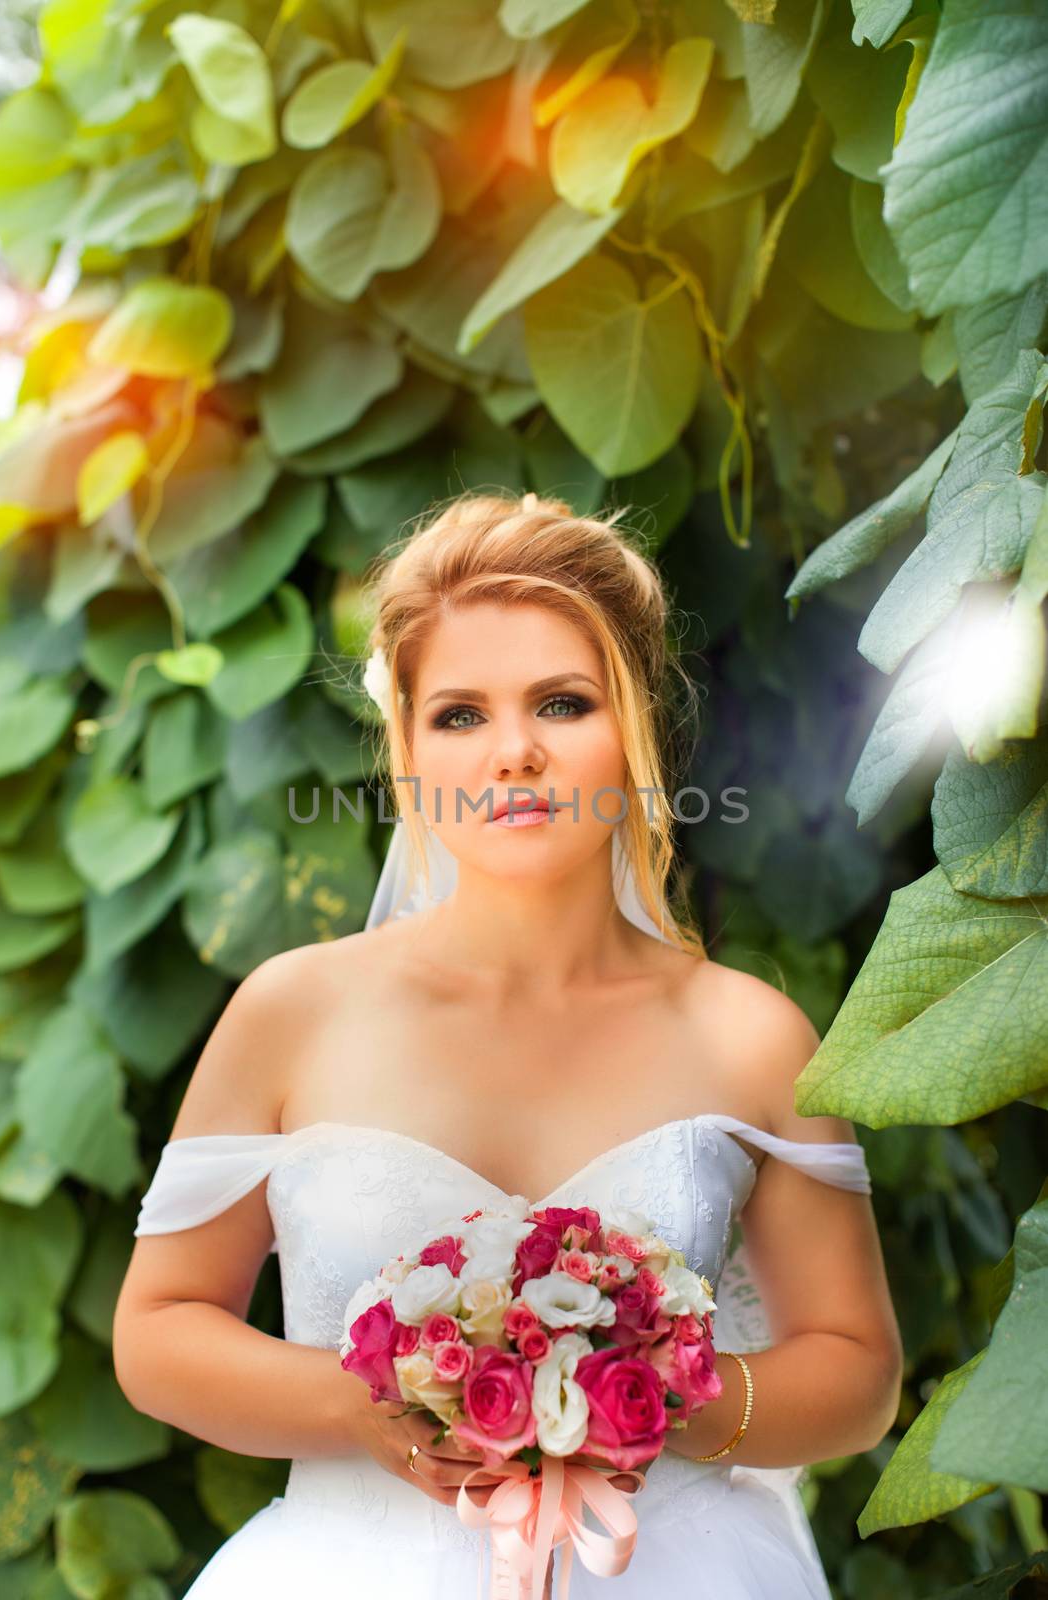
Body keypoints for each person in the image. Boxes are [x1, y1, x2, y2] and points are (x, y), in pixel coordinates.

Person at [114, 490, 903, 1598]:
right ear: (407, 746)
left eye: (562, 702)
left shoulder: (748, 1033)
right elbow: (157, 1328)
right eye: (459, 714)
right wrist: (366, 1404)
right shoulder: (291, 1012)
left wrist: (652, 1391)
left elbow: (856, 1369)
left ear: (630, 723)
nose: (514, 753)